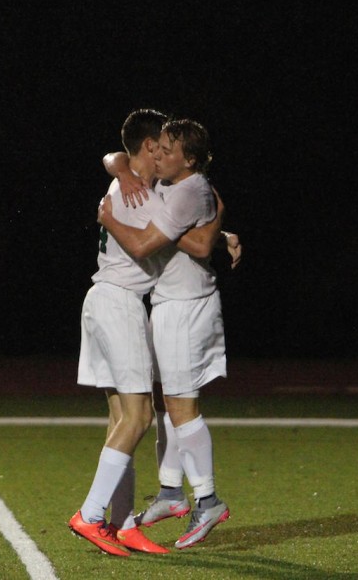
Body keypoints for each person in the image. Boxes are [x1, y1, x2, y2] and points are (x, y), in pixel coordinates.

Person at [68, 109, 224, 557]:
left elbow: (117, 161)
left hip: (105, 302)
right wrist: (218, 228)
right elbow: (176, 236)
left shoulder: (132, 184)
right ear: (151, 148)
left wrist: (118, 163)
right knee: (138, 419)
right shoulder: (139, 195)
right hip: (118, 305)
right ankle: (92, 515)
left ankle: (118, 526)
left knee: (123, 420)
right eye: (162, 147)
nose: (165, 154)